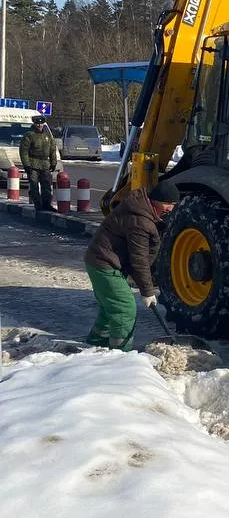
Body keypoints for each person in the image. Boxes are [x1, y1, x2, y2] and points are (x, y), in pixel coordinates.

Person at [84, 180, 181, 350]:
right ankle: (121, 355)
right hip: (104, 263)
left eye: (173, 205)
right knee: (124, 309)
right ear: (155, 201)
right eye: (167, 204)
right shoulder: (140, 221)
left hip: (104, 260)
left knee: (111, 308)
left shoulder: (144, 211)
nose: (170, 209)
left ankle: (95, 344)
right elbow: (139, 259)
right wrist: (147, 291)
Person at [19, 115, 60, 211]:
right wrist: (27, 165)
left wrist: (53, 162)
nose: (39, 125)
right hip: (33, 164)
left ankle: (47, 204)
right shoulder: (29, 135)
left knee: (46, 185)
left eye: (41, 123)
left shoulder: (47, 135)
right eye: (37, 123)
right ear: (34, 123)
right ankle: (38, 205)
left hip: (45, 164)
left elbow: (52, 149)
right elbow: (23, 151)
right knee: (34, 186)